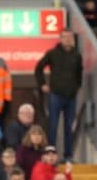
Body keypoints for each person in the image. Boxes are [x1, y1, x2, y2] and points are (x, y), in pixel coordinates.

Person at [34, 30, 83, 160]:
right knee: (53, 125)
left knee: (69, 127)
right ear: (60, 39)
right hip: (55, 95)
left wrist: (77, 87)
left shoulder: (77, 55)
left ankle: (68, 155)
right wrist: (42, 84)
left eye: (70, 37)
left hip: (71, 96)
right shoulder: (52, 53)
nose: (68, 39)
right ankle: (51, 154)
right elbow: (38, 68)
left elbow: (79, 74)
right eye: (65, 37)